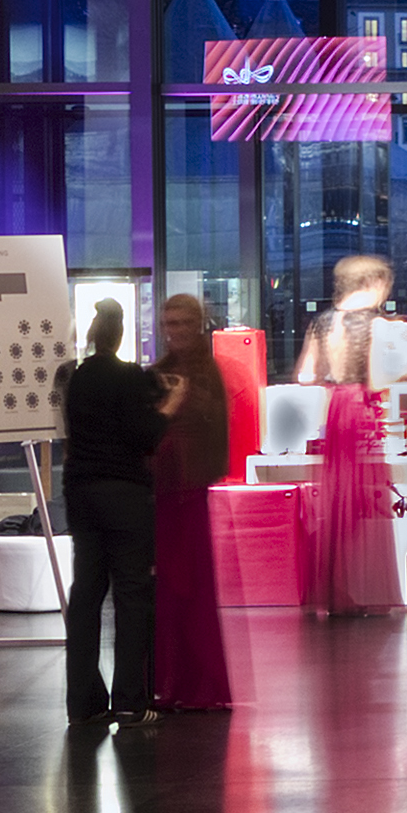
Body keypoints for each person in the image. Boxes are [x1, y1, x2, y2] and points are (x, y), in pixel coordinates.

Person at [63, 298, 167, 723]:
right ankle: (129, 700)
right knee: (131, 594)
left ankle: (83, 704)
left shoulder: (75, 376)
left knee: (86, 593)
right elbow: (146, 437)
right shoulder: (130, 377)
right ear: (122, 333)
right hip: (124, 494)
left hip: (80, 491)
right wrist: (168, 408)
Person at [299, 254, 402, 616]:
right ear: (375, 283)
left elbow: (305, 375)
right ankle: (366, 593)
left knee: (337, 497)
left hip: (336, 408)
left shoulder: (323, 323)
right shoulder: (376, 324)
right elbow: (378, 380)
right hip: (362, 411)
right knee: (368, 500)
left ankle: (336, 593)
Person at [150, 295, 238, 713]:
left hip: (190, 495)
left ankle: (198, 684)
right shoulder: (160, 373)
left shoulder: (207, 374)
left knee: (193, 590)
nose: (176, 330)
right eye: (169, 322)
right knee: (168, 591)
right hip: (165, 495)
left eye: (183, 323)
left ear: (198, 324)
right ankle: (170, 682)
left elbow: (218, 434)